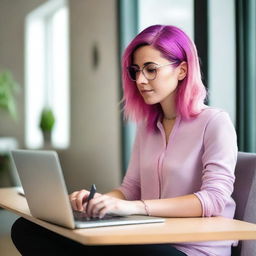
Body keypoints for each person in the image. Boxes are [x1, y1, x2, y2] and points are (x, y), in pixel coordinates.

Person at [11, 24, 238, 256]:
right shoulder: (147, 128)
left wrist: (132, 207)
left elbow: (214, 198)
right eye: (136, 70)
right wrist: (98, 201)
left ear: (182, 70)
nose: (140, 80)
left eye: (151, 69)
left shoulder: (215, 122)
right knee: (27, 229)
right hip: (149, 238)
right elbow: (131, 187)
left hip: (193, 248)